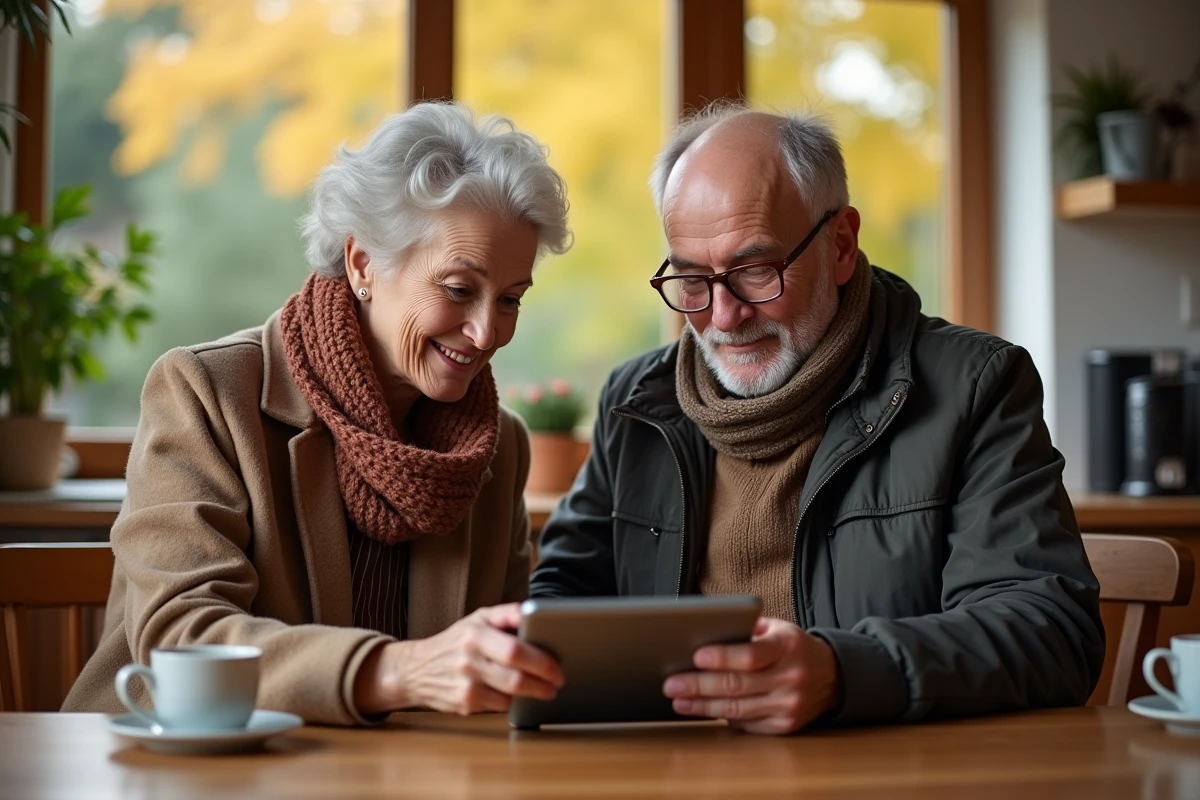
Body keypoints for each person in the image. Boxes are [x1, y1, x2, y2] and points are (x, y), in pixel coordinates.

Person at [531, 106, 1105, 735]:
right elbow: (561, 597)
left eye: (755, 270)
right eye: (692, 278)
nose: (723, 316)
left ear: (840, 245)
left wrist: (844, 672)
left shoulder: (976, 387)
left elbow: (1051, 630)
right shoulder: (638, 402)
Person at [65, 102, 569, 725]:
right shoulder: (205, 391)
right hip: (186, 768)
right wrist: (395, 672)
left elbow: (496, 660)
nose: (487, 331)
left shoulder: (502, 443)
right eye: (459, 289)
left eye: (511, 300)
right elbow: (181, 638)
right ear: (362, 263)